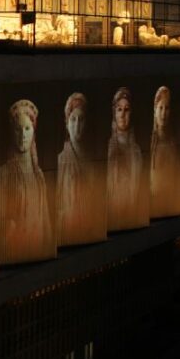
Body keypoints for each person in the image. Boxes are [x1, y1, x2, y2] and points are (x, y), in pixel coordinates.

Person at [0, 99, 55, 264]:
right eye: (18, 129)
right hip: (15, 255)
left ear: (33, 132)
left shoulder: (39, 176)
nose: (22, 135)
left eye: (27, 129)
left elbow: (46, 223)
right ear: (12, 132)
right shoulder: (4, 174)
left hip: (39, 255)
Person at [57, 93, 106, 246]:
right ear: (66, 123)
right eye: (73, 119)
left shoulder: (95, 161)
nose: (77, 125)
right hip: (68, 233)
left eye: (81, 119)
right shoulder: (61, 161)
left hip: (92, 231)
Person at [106, 87, 146, 231]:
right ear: (114, 113)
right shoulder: (107, 150)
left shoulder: (136, 151)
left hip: (132, 215)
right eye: (119, 110)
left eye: (126, 110)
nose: (122, 115)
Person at [149, 86, 180, 217]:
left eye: (167, 108)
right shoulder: (149, 144)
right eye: (160, 108)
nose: (163, 114)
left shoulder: (173, 144)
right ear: (155, 110)